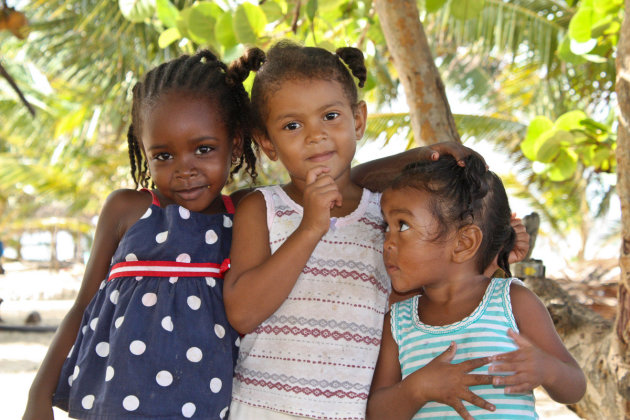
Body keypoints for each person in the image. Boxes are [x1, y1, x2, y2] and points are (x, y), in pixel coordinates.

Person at [222, 41, 527, 419]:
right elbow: (242, 314)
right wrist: (310, 228)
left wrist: (495, 253)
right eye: (292, 125)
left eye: (330, 116)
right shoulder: (260, 208)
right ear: (266, 142)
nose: (315, 135)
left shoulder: (385, 217)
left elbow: (428, 296)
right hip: (261, 410)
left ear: (359, 120)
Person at [23, 49, 263, 420]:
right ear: (143, 151)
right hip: (116, 403)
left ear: (234, 144)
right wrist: (38, 392)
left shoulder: (246, 213)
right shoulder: (126, 210)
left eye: (203, 149)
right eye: (163, 156)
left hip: (208, 405)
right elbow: (81, 306)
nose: (184, 170)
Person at [367, 155, 586, 419]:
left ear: (463, 243)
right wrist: (418, 389)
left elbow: (575, 386)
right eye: (386, 227)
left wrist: (548, 369)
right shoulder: (398, 324)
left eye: (402, 225)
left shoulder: (512, 301)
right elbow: (376, 413)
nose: (387, 242)